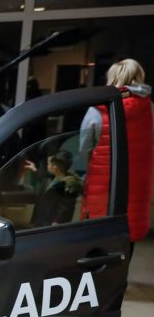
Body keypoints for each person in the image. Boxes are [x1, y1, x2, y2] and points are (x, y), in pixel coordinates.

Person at [80, 58, 153, 243]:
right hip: (139, 181)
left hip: (103, 184)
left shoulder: (97, 109)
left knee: (99, 236)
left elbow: (84, 147)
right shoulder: (149, 107)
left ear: (112, 77)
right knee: (130, 232)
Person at [27, 150, 83, 227]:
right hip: (43, 219)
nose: (47, 166)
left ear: (55, 167)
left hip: (52, 222)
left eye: (49, 164)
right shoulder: (52, 178)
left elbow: (65, 206)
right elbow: (42, 178)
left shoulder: (69, 184)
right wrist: (34, 169)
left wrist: (57, 221)